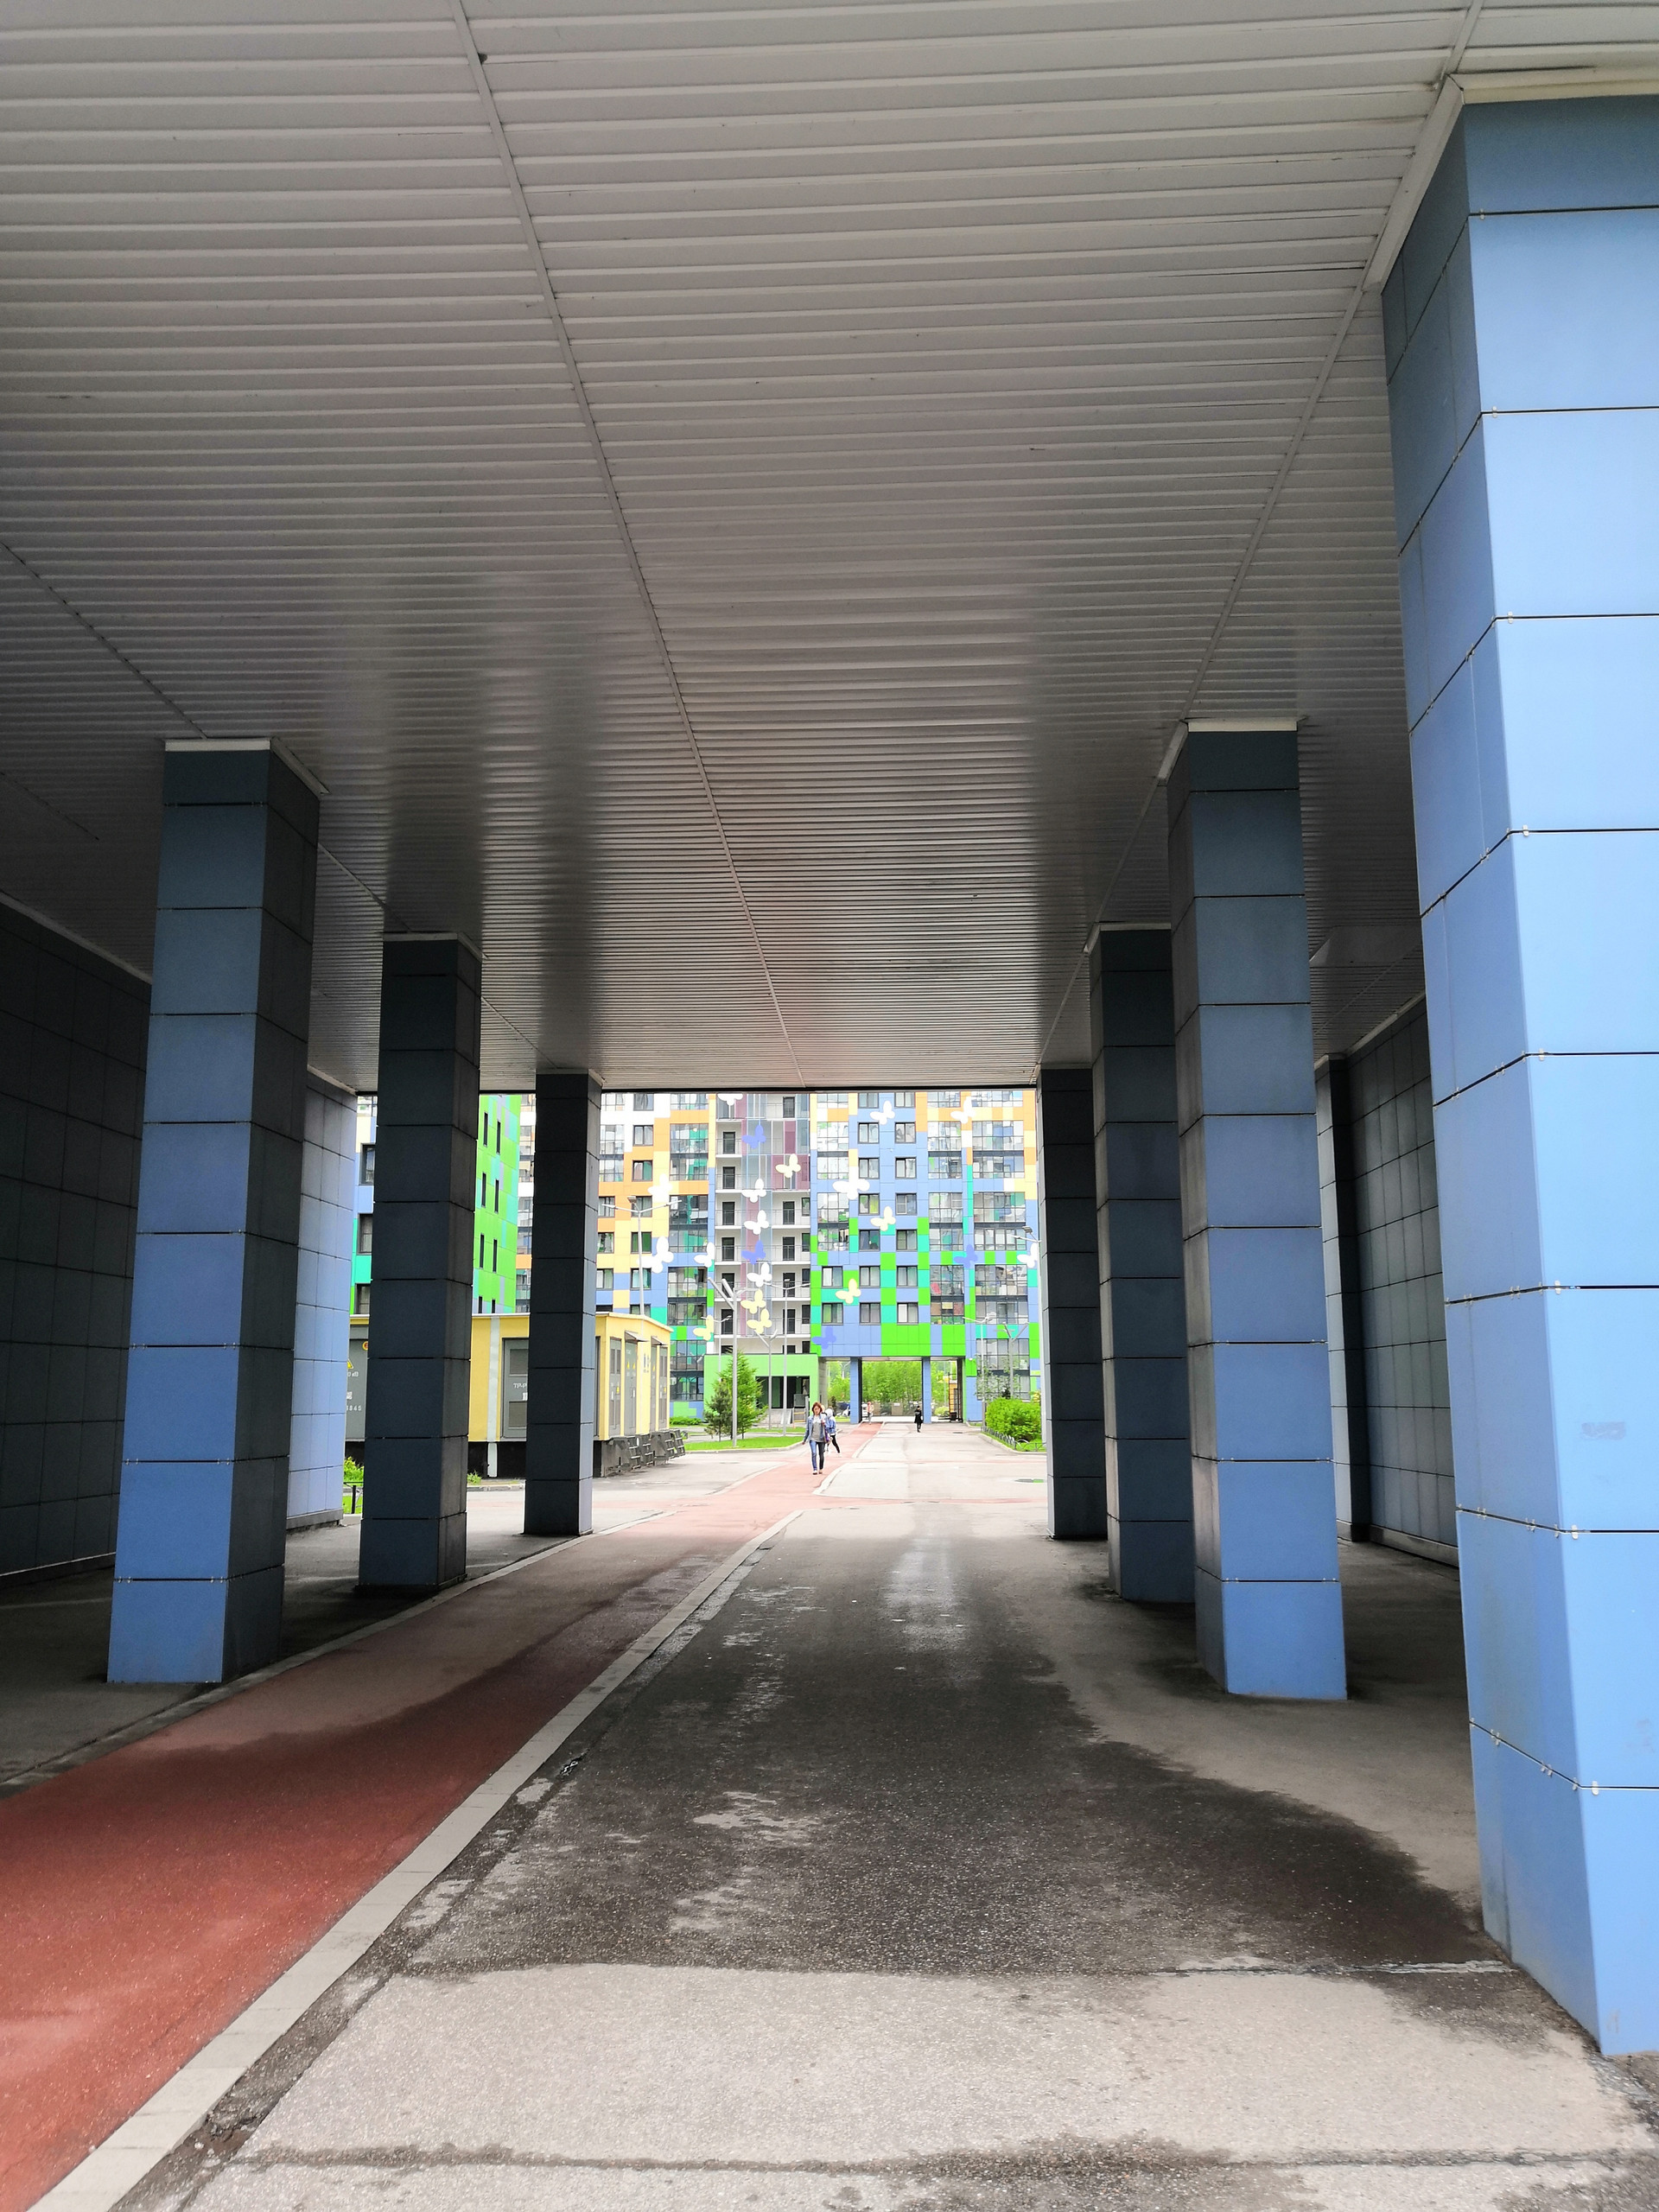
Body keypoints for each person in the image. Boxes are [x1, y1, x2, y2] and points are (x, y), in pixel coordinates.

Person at [804, 1400, 832, 1473]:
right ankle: (815, 1469)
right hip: (813, 1438)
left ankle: (821, 1468)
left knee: (821, 1455)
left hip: (822, 1438)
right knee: (814, 1453)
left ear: (820, 1410)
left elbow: (828, 1427)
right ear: (813, 1409)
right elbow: (807, 1430)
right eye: (815, 1409)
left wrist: (824, 1424)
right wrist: (804, 1439)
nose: (816, 1410)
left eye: (818, 1409)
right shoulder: (810, 1418)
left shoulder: (824, 1417)